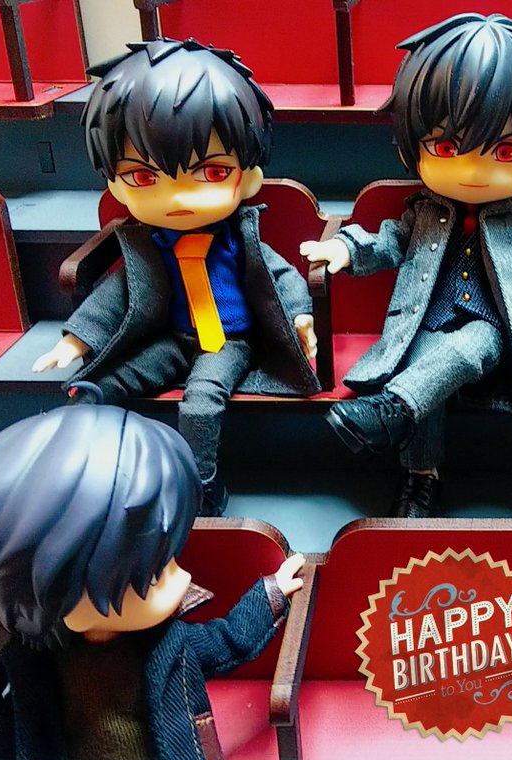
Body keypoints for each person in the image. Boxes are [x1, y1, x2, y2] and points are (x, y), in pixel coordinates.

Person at [299, 13, 512, 517]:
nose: (473, 170)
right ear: (415, 147)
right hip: (426, 326)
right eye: (447, 147)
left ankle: (388, 412)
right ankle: (420, 477)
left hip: (494, 336)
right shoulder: (421, 214)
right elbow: (388, 241)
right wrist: (346, 249)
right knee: (424, 370)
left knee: (475, 341)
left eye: (505, 150)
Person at [33, 39, 320, 517]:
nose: (178, 197)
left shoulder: (237, 238)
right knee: (109, 382)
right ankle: (88, 460)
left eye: (212, 171)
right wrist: (77, 340)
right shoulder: (151, 244)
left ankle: (201, 484)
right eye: (145, 177)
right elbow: (118, 292)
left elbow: (280, 275)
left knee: (201, 401)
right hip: (172, 336)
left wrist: (300, 318)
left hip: (229, 341)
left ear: (248, 178)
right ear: (116, 185)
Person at [0, 404, 305, 760]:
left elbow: (227, 641)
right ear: (57, 595)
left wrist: (271, 594)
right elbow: (14, 743)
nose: (182, 578)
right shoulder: (31, 667)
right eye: (154, 575)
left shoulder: (169, 645)